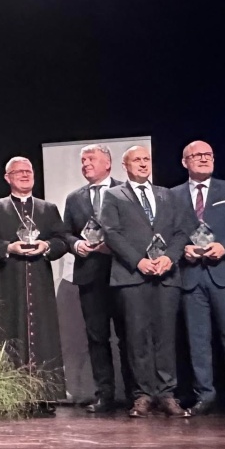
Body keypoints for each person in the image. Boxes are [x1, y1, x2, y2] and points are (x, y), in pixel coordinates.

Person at [100, 146, 190, 418]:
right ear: (124, 166)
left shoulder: (168, 195)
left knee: (165, 336)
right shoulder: (114, 195)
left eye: (146, 159)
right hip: (132, 276)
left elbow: (182, 230)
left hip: (166, 275)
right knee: (137, 337)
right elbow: (111, 233)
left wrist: (170, 258)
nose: (142, 164)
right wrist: (138, 261)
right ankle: (142, 395)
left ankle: (167, 393)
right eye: (136, 160)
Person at [0, 157, 69, 410]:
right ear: (7, 177)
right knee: (9, 332)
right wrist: (9, 247)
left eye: (28, 171)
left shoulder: (47, 208)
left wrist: (46, 245)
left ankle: (44, 395)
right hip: (7, 281)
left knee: (43, 335)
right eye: (19, 171)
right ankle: (8, 396)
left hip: (39, 280)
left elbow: (62, 241)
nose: (25, 175)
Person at [173, 141, 225, 417]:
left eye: (208, 154)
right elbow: (169, 231)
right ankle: (204, 395)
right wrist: (183, 248)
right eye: (196, 156)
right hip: (191, 276)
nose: (203, 159)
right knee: (197, 341)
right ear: (185, 162)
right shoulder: (173, 195)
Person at [62, 144, 132, 413]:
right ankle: (105, 394)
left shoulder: (126, 192)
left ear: (108, 163)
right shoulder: (74, 198)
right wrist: (77, 245)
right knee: (97, 337)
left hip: (123, 273)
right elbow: (65, 233)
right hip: (90, 276)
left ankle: (135, 393)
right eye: (83, 160)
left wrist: (115, 246)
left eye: (91, 159)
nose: (86, 164)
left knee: (129, 336)